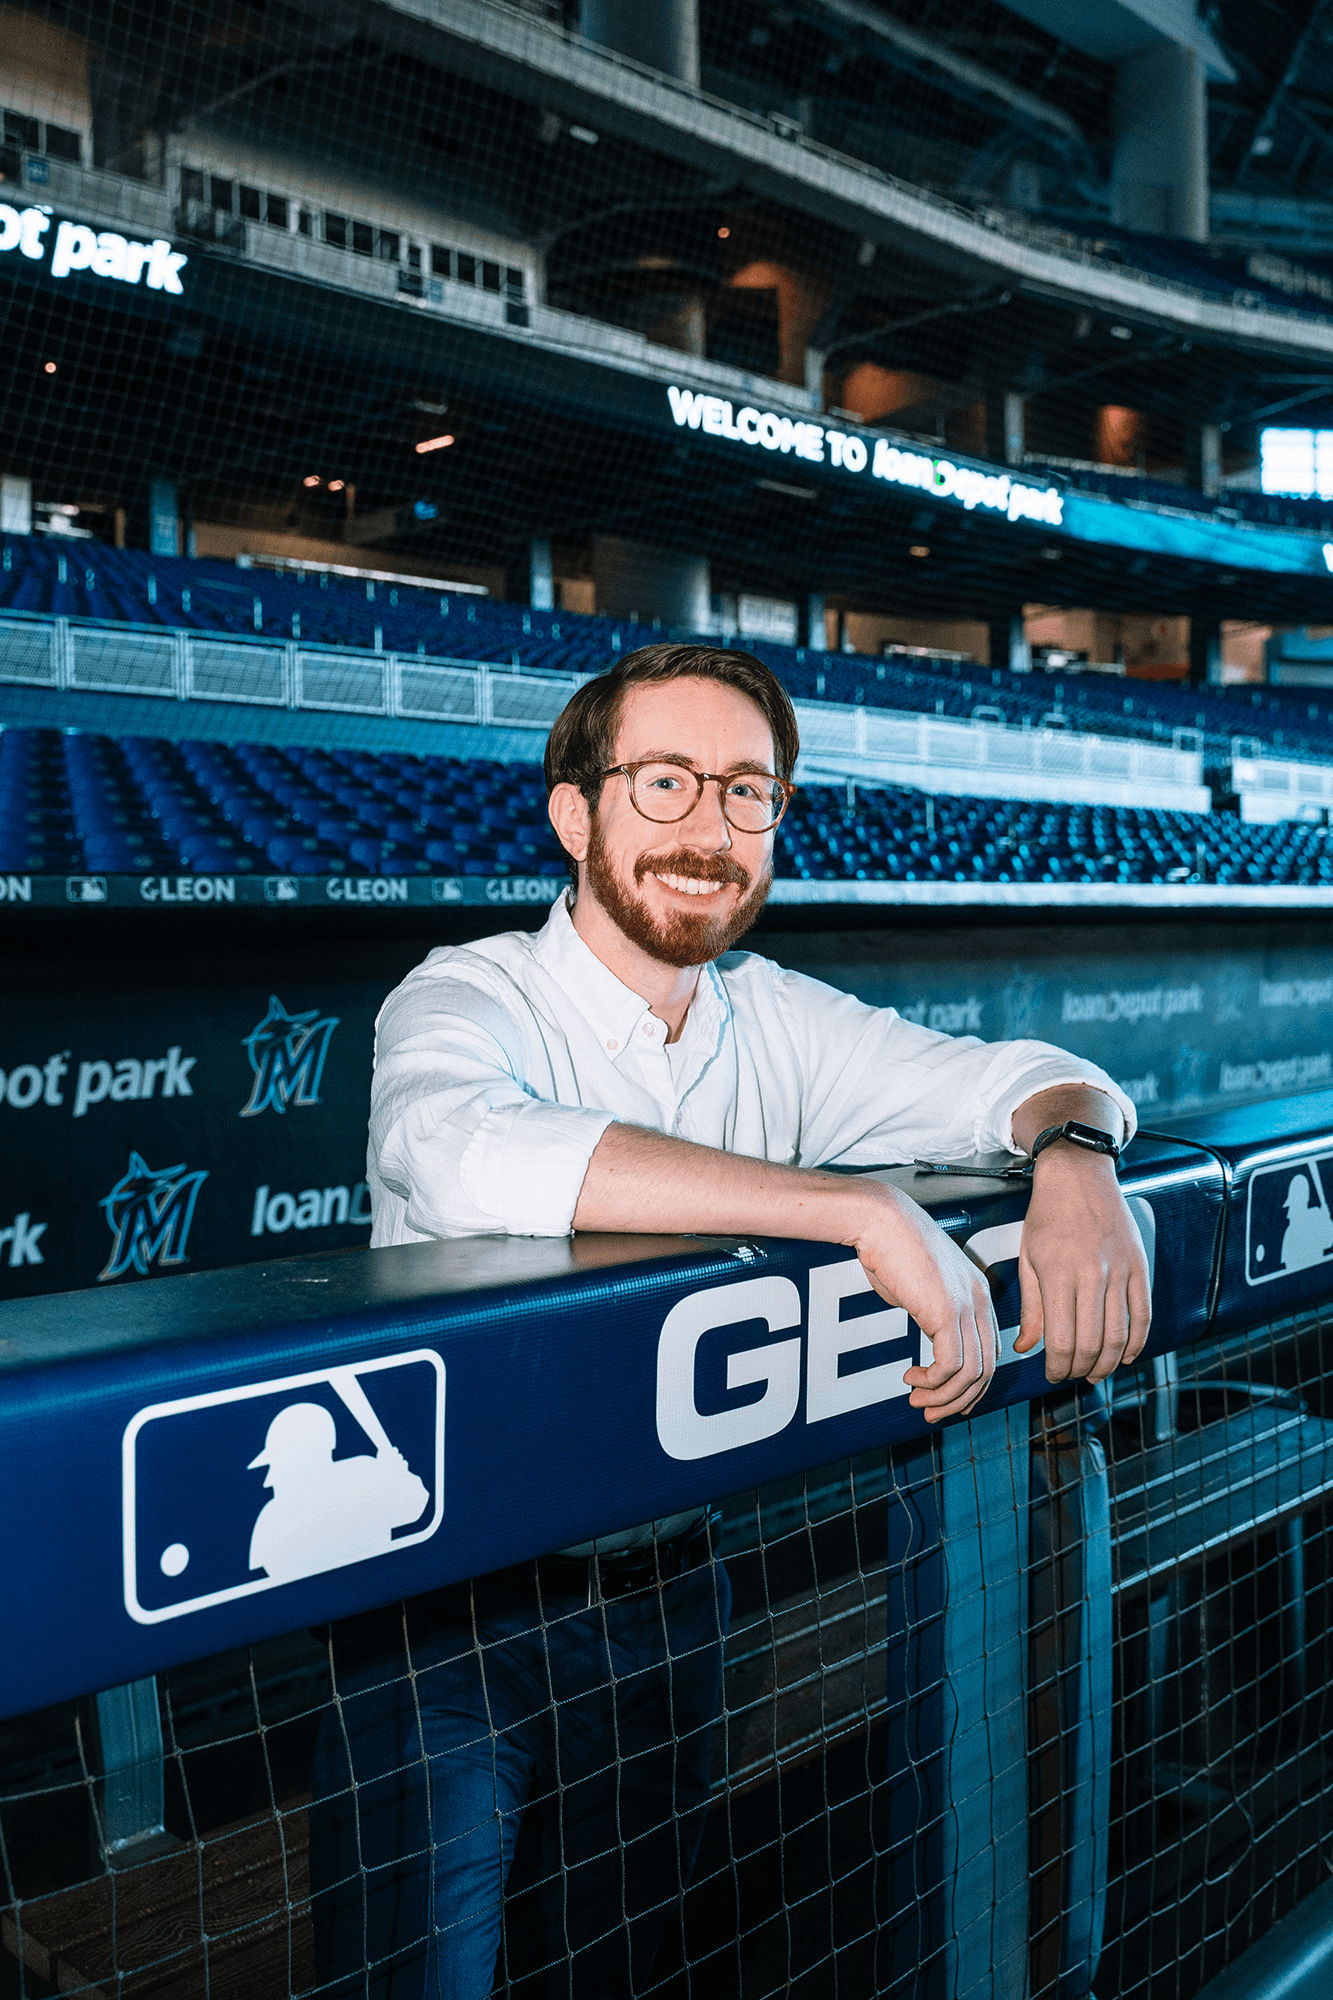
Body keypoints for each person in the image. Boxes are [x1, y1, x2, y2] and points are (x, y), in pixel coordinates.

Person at [308, 643, 1151, 1999]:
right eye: (664, 783)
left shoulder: (775, 1018)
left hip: (670, 1598)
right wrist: (858, 1210)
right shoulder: (466, 992)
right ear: (574, 814)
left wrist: (1078, 1161)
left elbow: (1033, 1078)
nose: (708, 828)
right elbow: (468, 1152)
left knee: (629, 1970)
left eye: (747, 791)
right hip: (442, 1613)